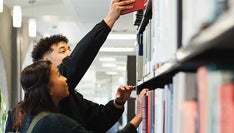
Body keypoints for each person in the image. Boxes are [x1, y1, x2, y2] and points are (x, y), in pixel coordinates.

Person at [5, 0, 137, 132]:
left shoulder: (70, 96)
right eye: (62, 51)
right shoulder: (44, 119)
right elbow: (77, 62)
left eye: (69, 50)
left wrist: (118, 103)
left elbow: (97, 119)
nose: (69, 54)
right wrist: (109, 19)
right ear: (45, 62)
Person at [13, 61, 147, 132]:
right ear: (49, 88)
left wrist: (118, 102)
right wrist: (139, 117)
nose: (65, 79)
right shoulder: (55, 123)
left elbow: (97, 117)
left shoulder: (29, 117)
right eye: (59, 75)